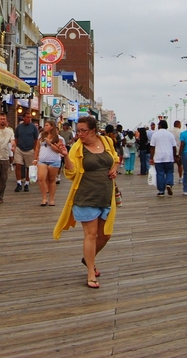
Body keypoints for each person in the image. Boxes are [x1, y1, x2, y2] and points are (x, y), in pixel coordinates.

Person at [53, 116, 119, 289]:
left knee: (105, 235)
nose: (79, 134)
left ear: (93, 130)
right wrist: (66, 156)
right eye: (78, 130)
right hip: (86, 196)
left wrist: (114, 169)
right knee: (91, 234)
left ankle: (88, 257)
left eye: (83, 130)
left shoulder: (106, 141)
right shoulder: (77, 147)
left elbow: (115, 158)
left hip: (106, 195)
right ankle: (91, 271)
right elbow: (72, 172)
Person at [34, 119, 66, 206]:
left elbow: (59, 151)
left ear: (52, 127)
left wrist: (50, 143)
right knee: (41, 178)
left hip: (54, 161)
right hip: (42, 160)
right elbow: (37, 147)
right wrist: (35, 158)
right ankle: (44, 198)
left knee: (52, 180)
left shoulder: (59, 138)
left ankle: (52, 199)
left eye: (47, 125)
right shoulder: (41, 135)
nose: (45, 127)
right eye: (45, 125)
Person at [150, 119, 177, 195]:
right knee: (169, 172)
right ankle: (169, 183)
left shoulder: (155, 134)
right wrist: (174, 156)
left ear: (160, 125)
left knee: (160, 173)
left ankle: (161, 191)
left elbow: (152, 147)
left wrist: (151, 158)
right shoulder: (170, 135)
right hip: (169, 157)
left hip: (158, 157)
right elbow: (174, 147)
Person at [14, 111, 39, 192]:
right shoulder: (19, 127)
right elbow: (16, 138)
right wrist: (16, 146)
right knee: (18, 165)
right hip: (19, 149)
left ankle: (27, 184)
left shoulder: (33, 127)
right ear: (23, 118)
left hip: (30, 149)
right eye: (27, 117)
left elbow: (36, 139)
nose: (29, 119)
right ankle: (18, 183)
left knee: (29, 167)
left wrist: (34, 150)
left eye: (30, 117)